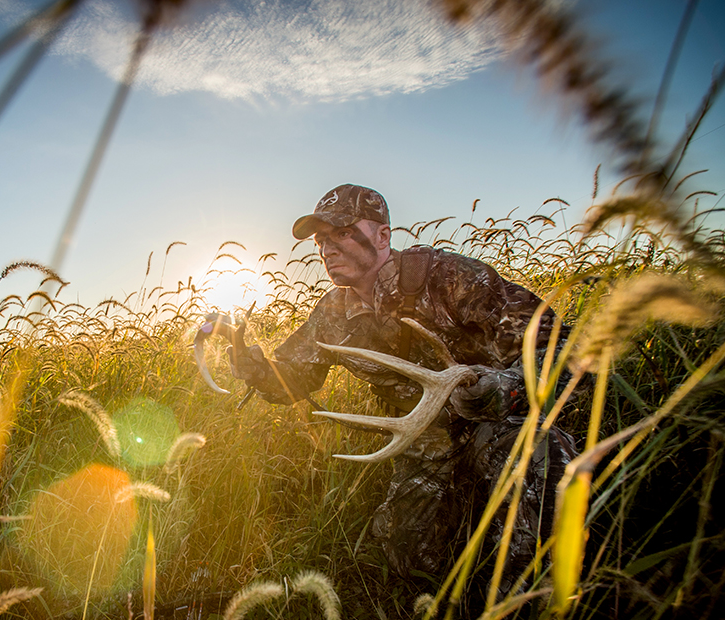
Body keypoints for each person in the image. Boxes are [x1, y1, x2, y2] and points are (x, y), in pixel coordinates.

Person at [228, 184, 578, 593]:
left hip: (498, 427)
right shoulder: (331, 314)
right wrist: (255, 370)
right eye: (322, 241)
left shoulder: (449, 278)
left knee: (537, 458)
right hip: (425, 445)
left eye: (342, 233)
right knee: (403, 565)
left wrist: (506, 389)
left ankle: (529, 609)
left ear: (382, 236)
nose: (327, 249)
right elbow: (292, 380)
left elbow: (565, 349)